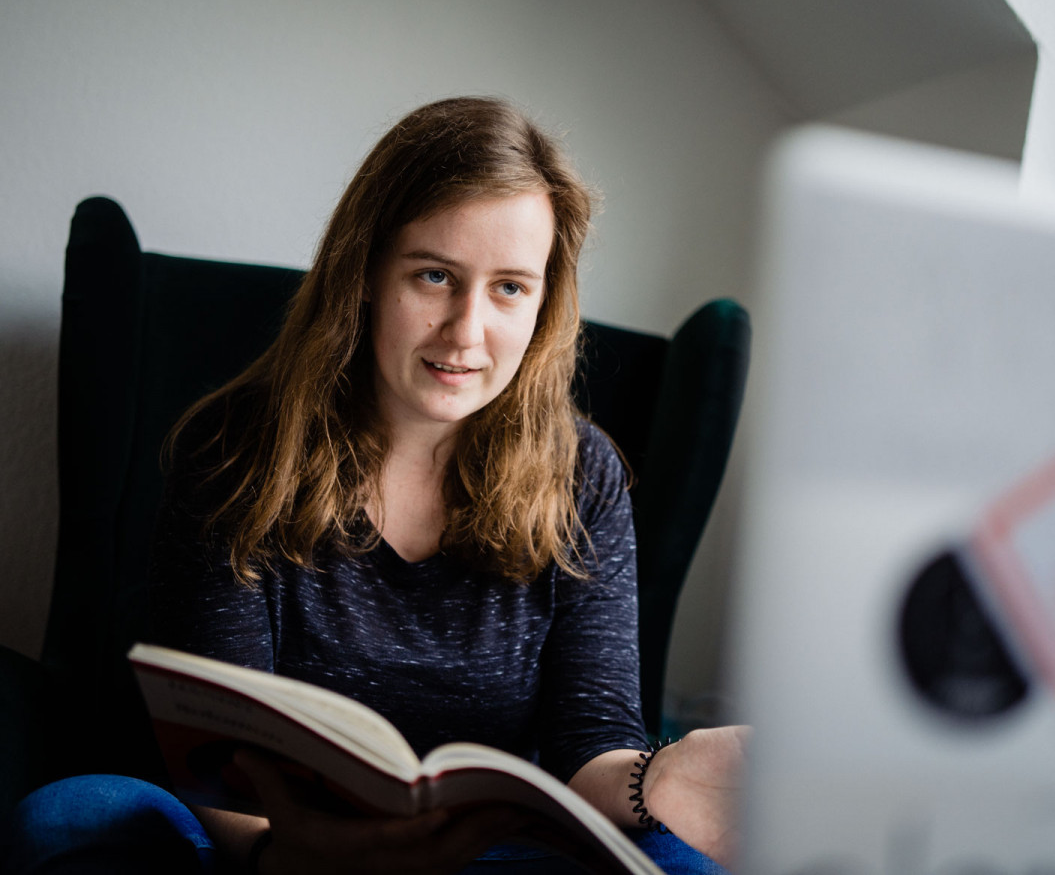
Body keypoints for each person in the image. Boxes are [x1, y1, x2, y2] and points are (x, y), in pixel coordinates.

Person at [1, 97, 746, 875]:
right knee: (73, 819)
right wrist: (280, 855)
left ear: (545, 302)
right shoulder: (238, 447)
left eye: (509, 289)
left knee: (684, 864)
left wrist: (659, 778)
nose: (466, 331)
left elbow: (589, 740)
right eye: (434, 275)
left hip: (482, 859)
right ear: (363, 270)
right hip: (258, 844)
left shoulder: (584, 475)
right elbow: (214, 750)